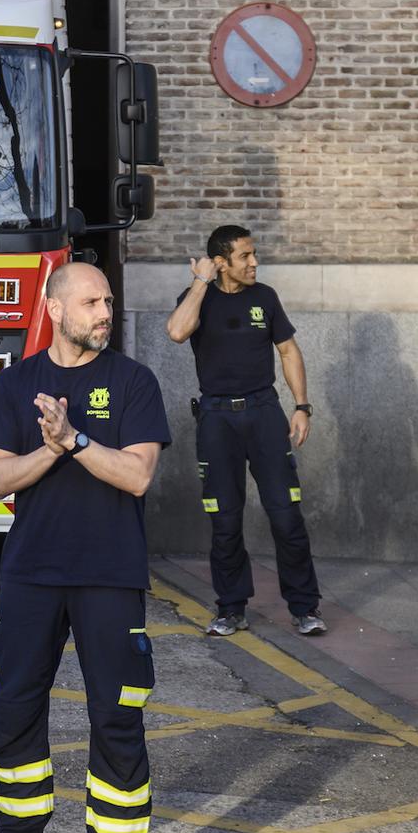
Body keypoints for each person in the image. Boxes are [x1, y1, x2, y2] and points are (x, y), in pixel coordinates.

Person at [0, 262, 170, 833]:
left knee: (116, 708)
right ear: (54, 309)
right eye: (91, 302)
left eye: (106, 301)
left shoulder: (134, 382)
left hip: (111, 571)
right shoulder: (14, 384)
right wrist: (48, 451)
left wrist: (74, 440)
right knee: (16, 702)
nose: (104, 313)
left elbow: (136, 475)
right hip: (32, 571)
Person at [164, 224, 326, 638]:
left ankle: (305, 608)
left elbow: (288, 350)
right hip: (217, 419)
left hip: (264, 413)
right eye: (244, 257)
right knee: (225, 520)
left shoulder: (265, 298)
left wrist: (302, 407)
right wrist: (201, 281)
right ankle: (231, 608)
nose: (254, 263)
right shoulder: (196, 299)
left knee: (286, 515)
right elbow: (178, 332)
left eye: (254, 255)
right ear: (221, 263)